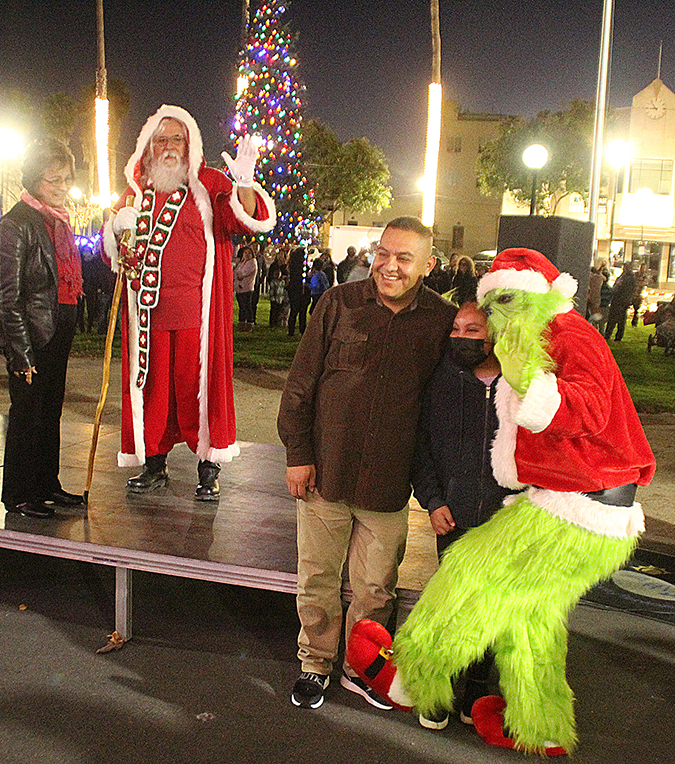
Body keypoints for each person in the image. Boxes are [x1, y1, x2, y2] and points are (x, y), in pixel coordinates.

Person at [346, 248, 655, 756]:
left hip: (581, 505)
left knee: (471, 567)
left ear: (543, 297)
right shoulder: (535, 339)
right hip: (588, 504)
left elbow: (588, 406)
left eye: (509, 301)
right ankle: (539, 723)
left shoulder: (569, 335)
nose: (498, 317)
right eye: (495, 305)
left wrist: (533, 388)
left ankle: (411, 674)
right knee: (531, 621)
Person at [278, 216, 456, 711]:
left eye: (404, 258)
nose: (389, 266)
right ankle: (314, 664)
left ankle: (364, 667)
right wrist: (298, 456)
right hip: (324, 475)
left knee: (375, 589)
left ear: (427, 266)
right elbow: (300, 385)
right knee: (317, 579)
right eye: (384, 253)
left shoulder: (440, 322)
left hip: (387, 481)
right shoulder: (337, 304)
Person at [103, 105, 275, 500]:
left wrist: (245, 183)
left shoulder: (211, 183)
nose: (168, 147)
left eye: (176, 138)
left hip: (200, 318)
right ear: (148, 145)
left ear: (190, 143)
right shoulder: (135, 191)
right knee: (154, 393)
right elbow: (113, 256)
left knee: (200, 392)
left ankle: (208, 468)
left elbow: (245, 221)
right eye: (160, 139)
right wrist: (113, 231)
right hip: (148, 317)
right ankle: (155, 465)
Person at [409, 301, 516, 730]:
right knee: (451, 603)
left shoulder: (520, 384)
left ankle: (477, 683)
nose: (461, 336)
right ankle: (442, 683)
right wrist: (433, 501)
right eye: (456, 327)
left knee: (489, 605)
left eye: (473, 329)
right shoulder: (442, 379)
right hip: (451, 517)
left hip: (502, 519)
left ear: (496, 335)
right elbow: (423, 447)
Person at [0, 138, 85, 520]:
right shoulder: (17, 223)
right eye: (52, 180)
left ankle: (47, 483)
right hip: (30, 332)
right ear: (33, 180)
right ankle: (19, 492)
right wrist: (21, 353)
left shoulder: (57, 222)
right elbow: (9, 295)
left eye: (65, 179)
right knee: (27, 414)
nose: (61, 187)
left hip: (58, 326)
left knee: (50, 411)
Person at [604, 261, 636, 341]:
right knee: (612, 318)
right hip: (616, 300)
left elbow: (629, 291)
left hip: (622, 301)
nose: (625, 268)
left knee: (620, 319)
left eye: (627, 266)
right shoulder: (623, 276)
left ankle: (618, 336)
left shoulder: (631, 278)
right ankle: (608, 334)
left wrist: (627, 300)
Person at [286, 245, 310, 336]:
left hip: (295, 289)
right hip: (299, 289)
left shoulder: (293, 265)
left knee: (295, 310)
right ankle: (300, 330)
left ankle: (292, 330)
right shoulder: (300, 267)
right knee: (300, 311)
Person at [234, 245, 258, 326]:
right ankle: (242, 321)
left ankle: (249, 321)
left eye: (248, 253)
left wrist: (240, 275)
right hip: (239, 287)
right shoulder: (243, 262)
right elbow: (236, 271)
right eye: (245, 252)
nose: (246, 254)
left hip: (247, 287)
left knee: (247, 305)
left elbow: (243, 274)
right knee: (241, 306)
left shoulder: (252, 262)